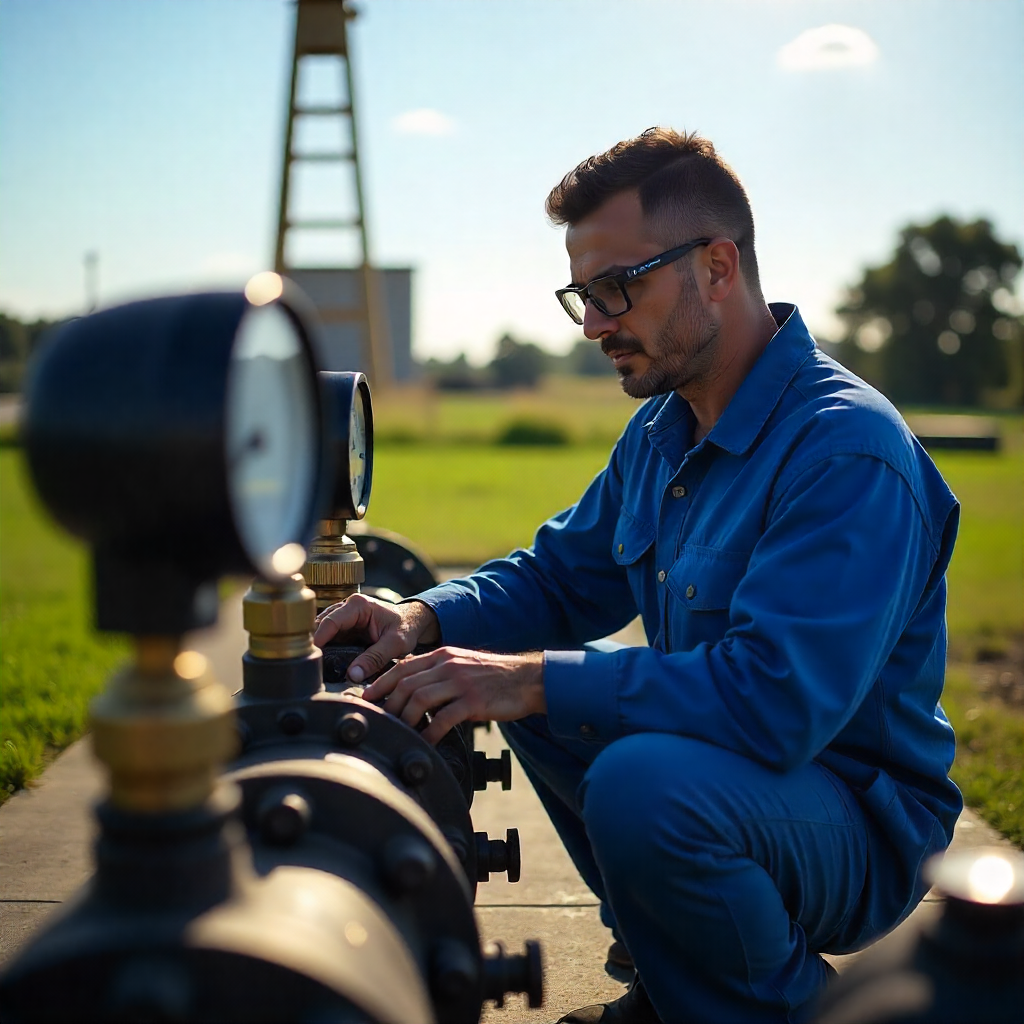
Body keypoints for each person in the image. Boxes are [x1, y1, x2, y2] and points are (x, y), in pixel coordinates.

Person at [313, 128, 962, 1023]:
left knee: (628, 774)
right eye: (581, 295)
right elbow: (554, 582)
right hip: (750, 780)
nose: (593, 325)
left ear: (718, 267)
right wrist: (420, 619)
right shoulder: (664, 432)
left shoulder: (846, 448)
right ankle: (678, 975)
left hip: (855, 816)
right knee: (511, 667)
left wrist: (532, 682)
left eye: (618, 288)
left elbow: (775, 703)